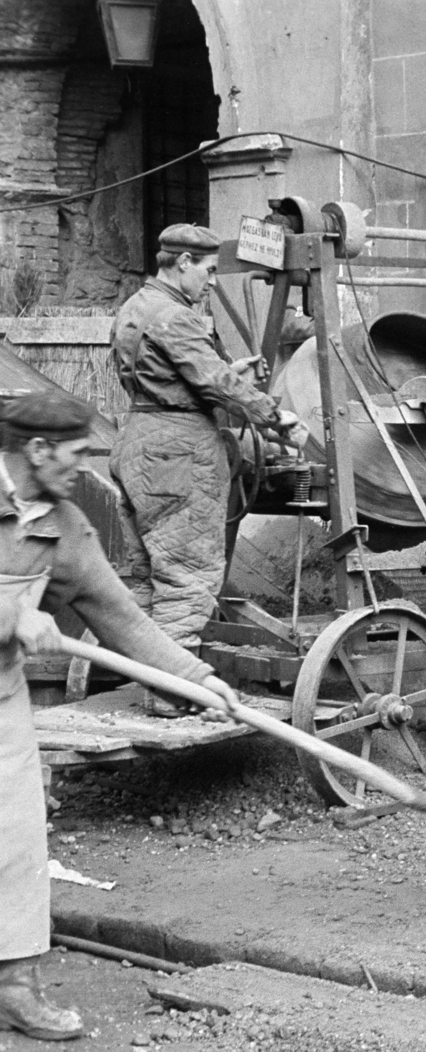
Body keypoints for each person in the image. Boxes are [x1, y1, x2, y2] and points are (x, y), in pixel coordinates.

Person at [0, 392, 244, 1041]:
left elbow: (123, 619)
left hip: (0, 701)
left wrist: (198, 679)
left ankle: (16, 988)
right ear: (37, 450)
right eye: (75, 454)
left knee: (18, 838)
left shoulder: (65, 526)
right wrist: (11, 617)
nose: (83, 467)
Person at [109, 223, 310, 654]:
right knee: (188, 579)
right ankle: (168, 693)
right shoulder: (176, 316)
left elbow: (166, 377)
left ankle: (146, 678)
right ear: (183, 263)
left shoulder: (136, 306)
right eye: (209, 271)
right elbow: (213, 383)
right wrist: (277, 418)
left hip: (138, 441)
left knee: (147, 579)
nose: (212, 282)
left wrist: (228, 375)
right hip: (177, 454)